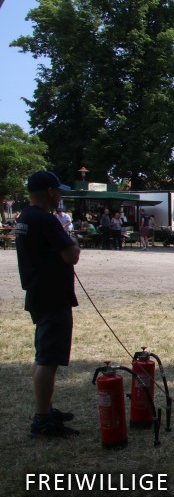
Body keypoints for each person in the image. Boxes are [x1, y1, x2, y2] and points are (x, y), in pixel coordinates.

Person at [15, 171, 81, 438]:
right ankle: (42, 420)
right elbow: (71, 255)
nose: (61, 195)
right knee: (48, 359)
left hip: (38, 292)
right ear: (50, 192)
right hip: (53, 295)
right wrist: (72, 241)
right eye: (58, 191)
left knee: (42, 354)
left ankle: (45, 409)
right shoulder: (44, 219)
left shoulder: (25, 217)